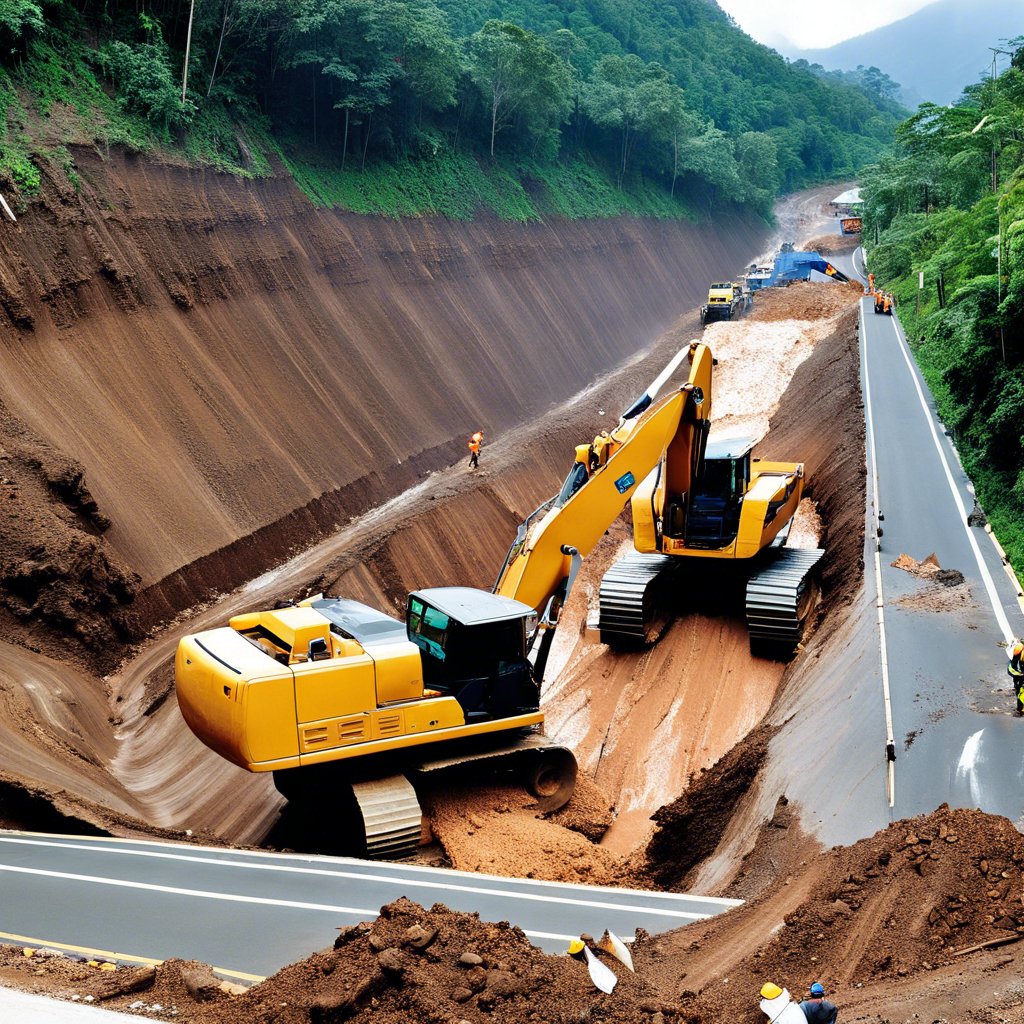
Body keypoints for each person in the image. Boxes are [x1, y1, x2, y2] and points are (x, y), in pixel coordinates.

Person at [1008, 640, 1024, 716]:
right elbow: (1012, 670)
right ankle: (1020, 710)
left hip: (1018, 673)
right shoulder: (1018, 652)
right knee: (1020, 690)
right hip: (1018, 673)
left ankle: (1020, 710)